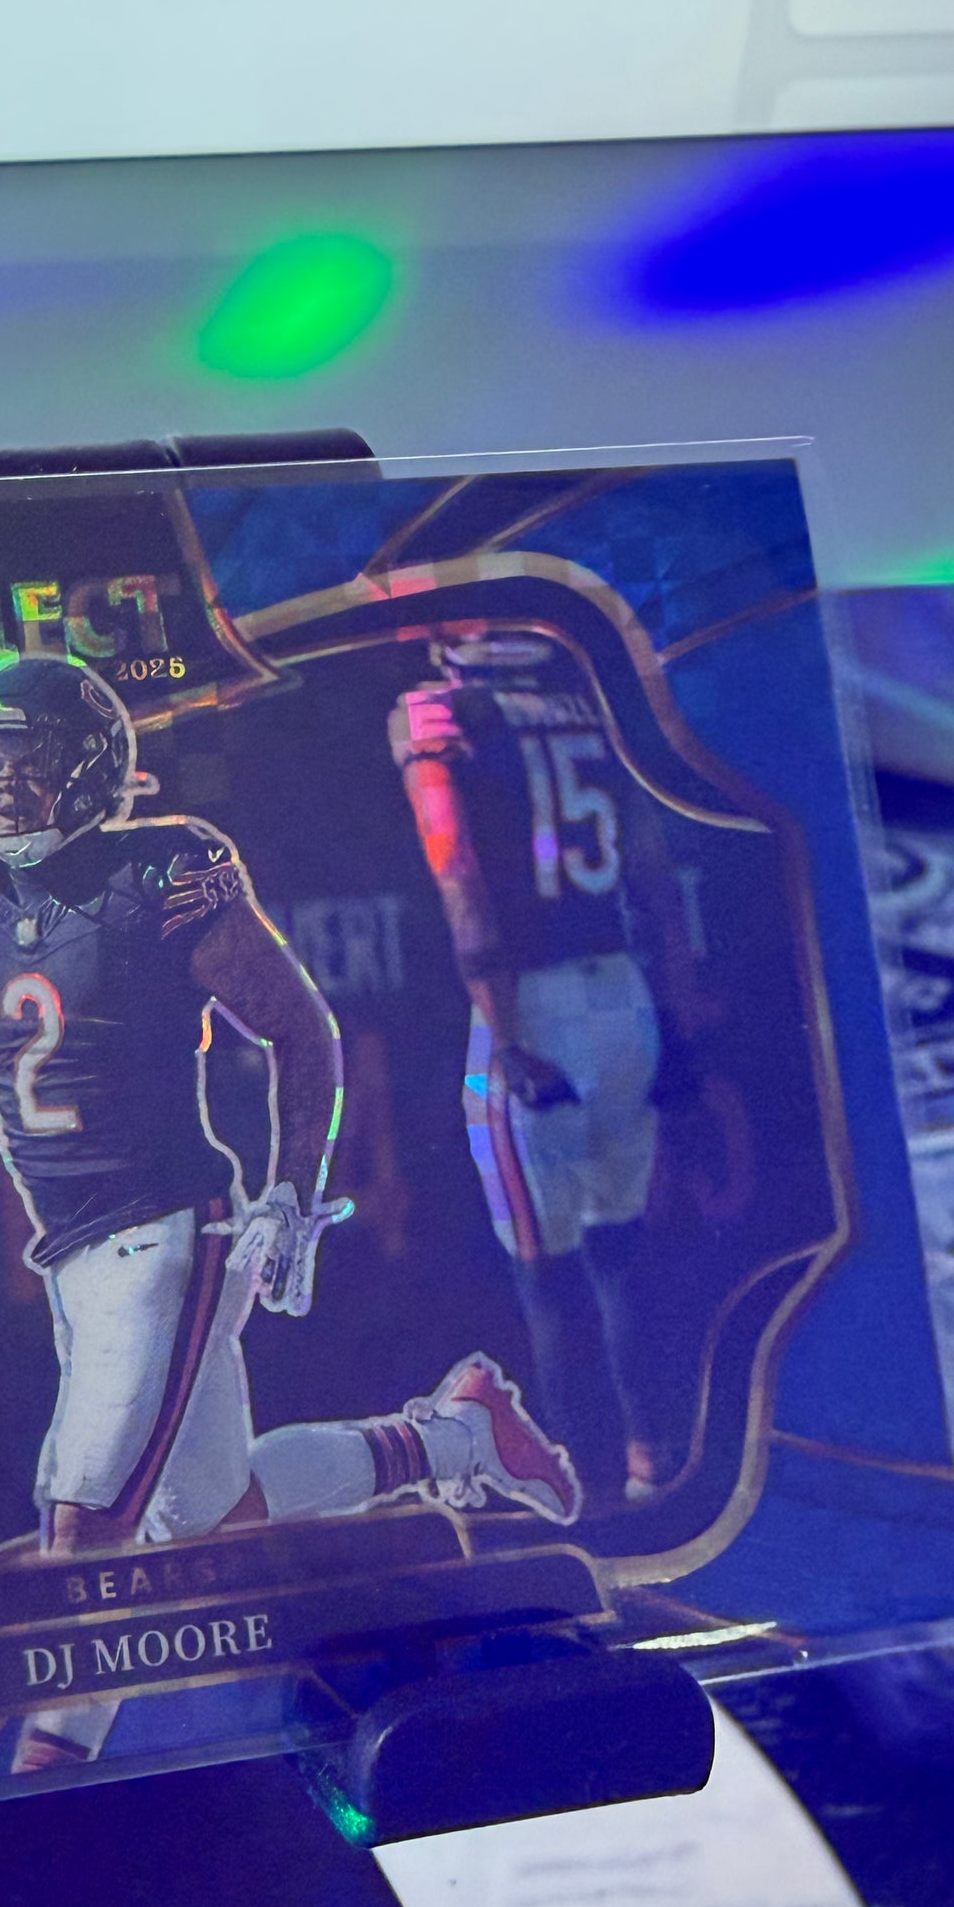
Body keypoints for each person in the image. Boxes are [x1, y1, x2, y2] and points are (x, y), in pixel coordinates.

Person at [0, 655, 578, 1769]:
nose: (5, 785)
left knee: (89, 1536)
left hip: (168, 1232)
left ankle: (40, 1798)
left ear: (89, 769)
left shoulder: (161, 873)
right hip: (75, 1255)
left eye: (29, 762)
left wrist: (288, 1189)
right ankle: (456, 1434)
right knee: (212, 1522)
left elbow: (300, 1029)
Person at [388, 631, 710, 1505]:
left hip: (531, 1001)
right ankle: (652, 1462)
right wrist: (675, 1012)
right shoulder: (586, 697)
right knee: (620, 1246)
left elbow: (458, 871)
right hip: (624, 993)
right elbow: (651, 865)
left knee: (548, 1272)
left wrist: (505, 1031)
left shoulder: (439, 711)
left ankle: (579, 1492)